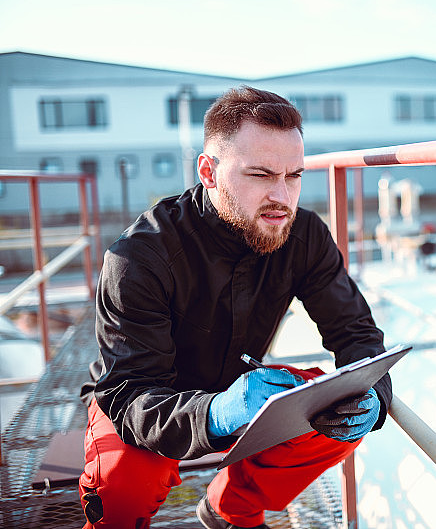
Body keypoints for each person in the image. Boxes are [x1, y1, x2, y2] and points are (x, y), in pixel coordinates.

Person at [78, 86, 392, 529]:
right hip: (149, 400)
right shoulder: (138, 259)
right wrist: (216, 412)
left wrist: (374, 396)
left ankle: (232, 508)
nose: (282, 197)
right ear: (208, 170)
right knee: (122, 481)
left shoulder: (304, 234)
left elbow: (356, 333)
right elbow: (131, 396)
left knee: (341, 404)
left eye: (295, 175)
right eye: (261, 175)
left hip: (244, 390)